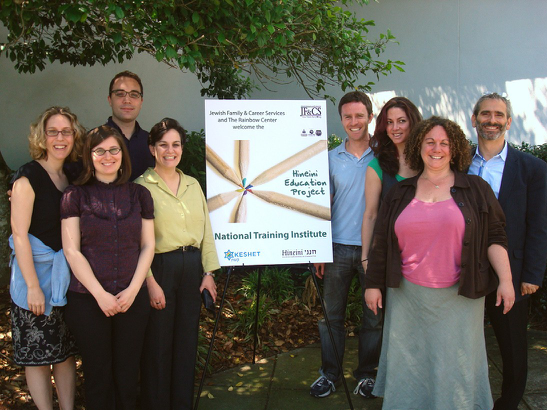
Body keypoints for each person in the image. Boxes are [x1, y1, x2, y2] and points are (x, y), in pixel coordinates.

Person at [365, 116, 515, 409]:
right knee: (409, 367)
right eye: (430, 141)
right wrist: (373, 285)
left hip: (460, 298)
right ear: (419, 146)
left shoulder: (476, 189)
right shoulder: (400, 192)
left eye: (444, 143)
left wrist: (506, 280)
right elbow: (381, 241)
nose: (437, 148)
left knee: (456, 368)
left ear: (454, 148)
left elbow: (496, 236)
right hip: (407, 296)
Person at [60, 126, 155, 409]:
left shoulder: (139, 194)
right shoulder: (74, 196)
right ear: (89, 157)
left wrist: (134, 290)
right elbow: (71, 250)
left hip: (132, 300)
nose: (107, 156)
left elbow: (148, 245)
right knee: (97, 374)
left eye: (113, 150)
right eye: (99, 151)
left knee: (128, 373)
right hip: (88, 300)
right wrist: (100, 295)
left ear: (122, 155)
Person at [469, 93, 547, 410]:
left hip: (512, 275)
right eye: (485, 114)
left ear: (508, 122)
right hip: (465, 270)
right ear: (474, 119)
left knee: (513, 346)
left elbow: (539, 225)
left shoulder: (533, 169)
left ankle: (510, 402)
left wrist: (531, 275)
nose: (491, 120)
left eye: (499, 115)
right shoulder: (457, 163)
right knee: (463, 342)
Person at [135, 118, 219, 409]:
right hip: (159, 269)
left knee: (186, 343)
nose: (170, 151)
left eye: (176, 144)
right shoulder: (141, 188)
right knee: (158, 345)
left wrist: (208, 272)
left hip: (192, 268)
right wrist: (149, 282)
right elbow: (136, 242)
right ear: (152, 148)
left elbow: (207, 230)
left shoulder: (193, 184)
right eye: (163, 145)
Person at [9, 106, 83, 409]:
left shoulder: (71, 173)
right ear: (43, 136)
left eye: (66, 131)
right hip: (35, 276)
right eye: (53, 131)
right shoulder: (27, 177)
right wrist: (33, 287)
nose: (60, 138)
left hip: (64, 277)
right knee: (37, 356)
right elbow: (19, 235)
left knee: (64, 353)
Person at [310, 91, 382, 399]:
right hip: (337, 247)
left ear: (370, 116)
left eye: (360, 115)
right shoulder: (329, 159)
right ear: (341, 120)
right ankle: (329, 374)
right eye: (348, 116)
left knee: (374, 317)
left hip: (375, 250)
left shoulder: (383, 157)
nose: (354, 122)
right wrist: (318, 248)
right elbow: (322, 205)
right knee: (331, 317)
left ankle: (367, 374)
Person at [361, 97, 422, 270]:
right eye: (389, 122)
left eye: (401, 121)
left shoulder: (429, 162)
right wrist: (365, 257)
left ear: (413, 123)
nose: (395, 128)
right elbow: (371, 214)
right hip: (390, 254)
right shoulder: (377, 166)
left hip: (426, 252)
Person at [106, 70, 154, 180]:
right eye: (120, 94)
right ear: (110, 100)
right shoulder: (93, 140)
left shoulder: (152, 143)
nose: (127, 100)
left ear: (141, 101)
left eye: (134, 95)